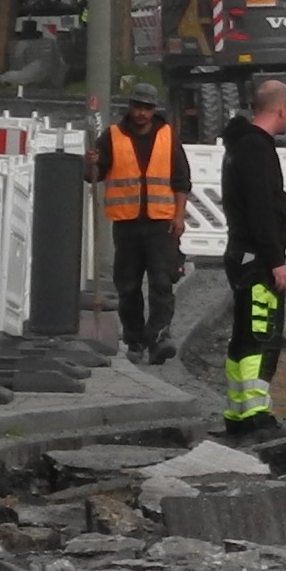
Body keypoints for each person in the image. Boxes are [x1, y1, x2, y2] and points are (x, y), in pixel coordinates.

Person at [88, 77, 190, 366]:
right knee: (129, 285)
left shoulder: (168, 137)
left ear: (153, 109)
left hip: (161, 224)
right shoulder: (112, 137)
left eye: (147, 107)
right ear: (130, 107)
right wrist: (91, 162)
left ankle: (158, 336)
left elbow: (181, 180)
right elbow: (94, 176)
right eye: (137, 106)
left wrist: (179, 215)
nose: (142, 113)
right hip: (127, 224)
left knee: (162, 281)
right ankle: (134, 340)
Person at [219, 78, 286, 437]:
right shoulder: (256, 150)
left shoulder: (240, 146)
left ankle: (237, 412)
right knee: (261, 336)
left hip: (242, 253)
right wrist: (276, 259)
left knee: (243, 336)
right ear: (280, 109)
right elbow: (261, 210)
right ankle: (256, 416)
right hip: (257, 259)